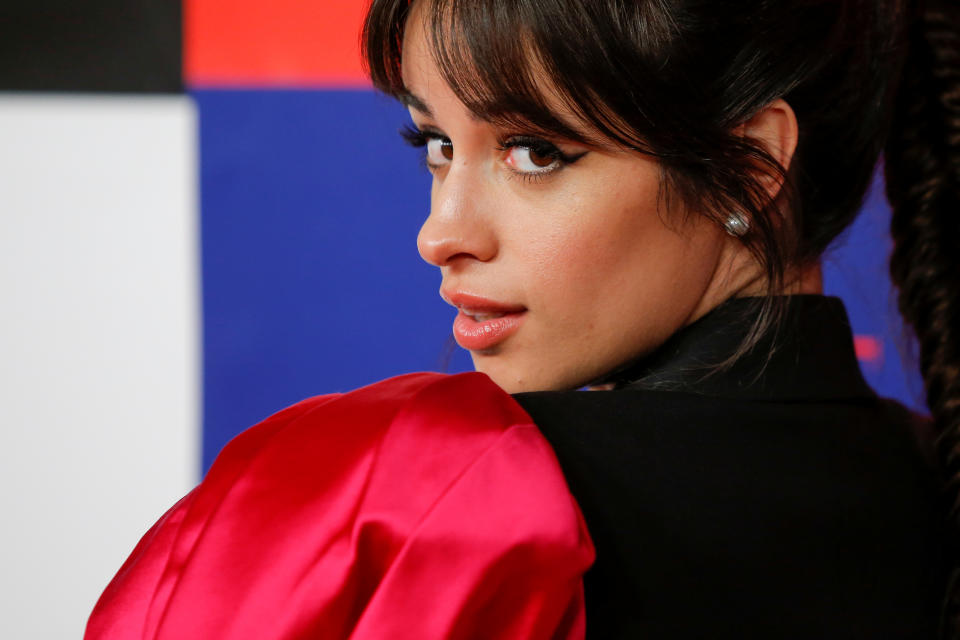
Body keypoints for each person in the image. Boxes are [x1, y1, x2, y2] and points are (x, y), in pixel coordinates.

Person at [86, 0, 958, 637]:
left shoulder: (406, 500)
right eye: (435, 144)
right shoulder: (935, 485)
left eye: (536, 152)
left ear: (753, 168)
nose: (442, 233)